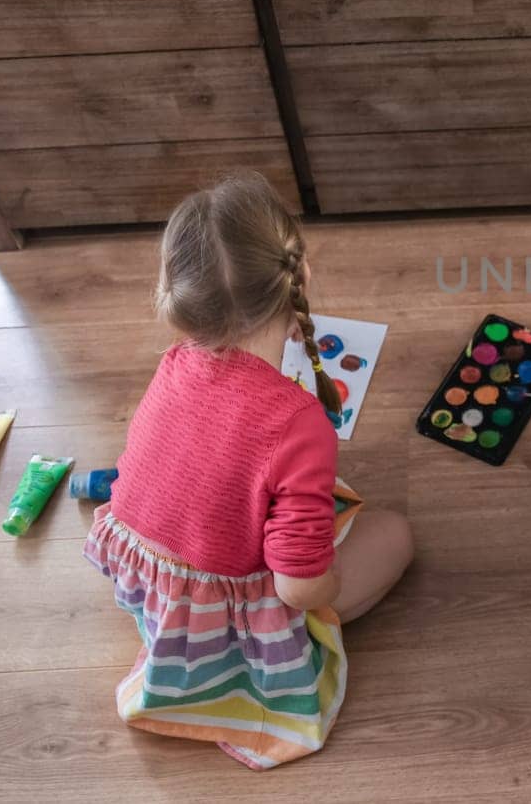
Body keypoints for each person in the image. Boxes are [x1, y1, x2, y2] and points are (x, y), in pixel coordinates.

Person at [83, 172, 413, 768]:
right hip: (220, 623)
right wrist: (325, 587)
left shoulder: (175, 361)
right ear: (300, 280)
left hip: (149, 581)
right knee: (396, 536)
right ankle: (255, 656)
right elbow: (297, 587)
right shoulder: (299, 423)